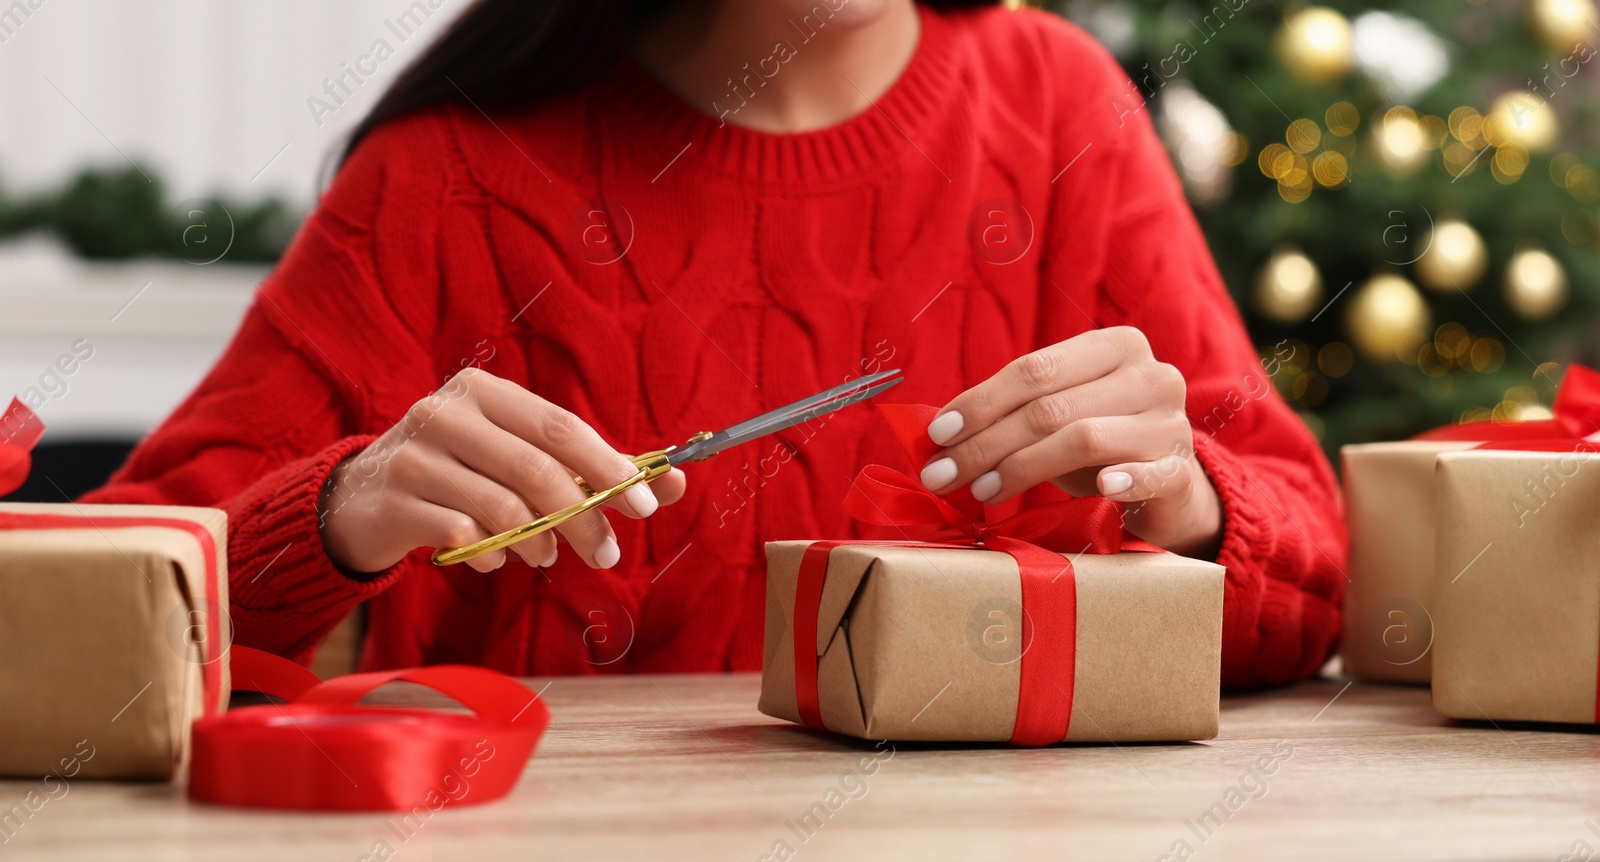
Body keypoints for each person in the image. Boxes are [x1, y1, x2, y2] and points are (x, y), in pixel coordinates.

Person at [83, 0, 1346, 685]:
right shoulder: (443, 178)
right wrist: (339, 512)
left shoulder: (1062, 107)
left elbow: (1315, 584)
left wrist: (1181, 499)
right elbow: (94, 625)